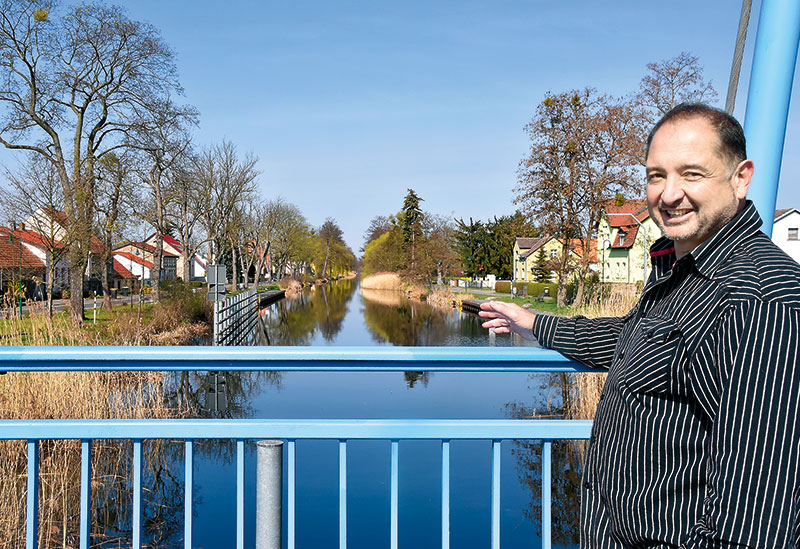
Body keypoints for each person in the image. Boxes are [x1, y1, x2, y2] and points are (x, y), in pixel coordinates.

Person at [480, 103, 800, 548]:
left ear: (741, 177)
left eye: (692, 174)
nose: (669, 195)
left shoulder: (759, 301)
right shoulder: (681, 268)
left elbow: (756, 519)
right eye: (656, 175)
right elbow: (633, 339)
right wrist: (537, 323)